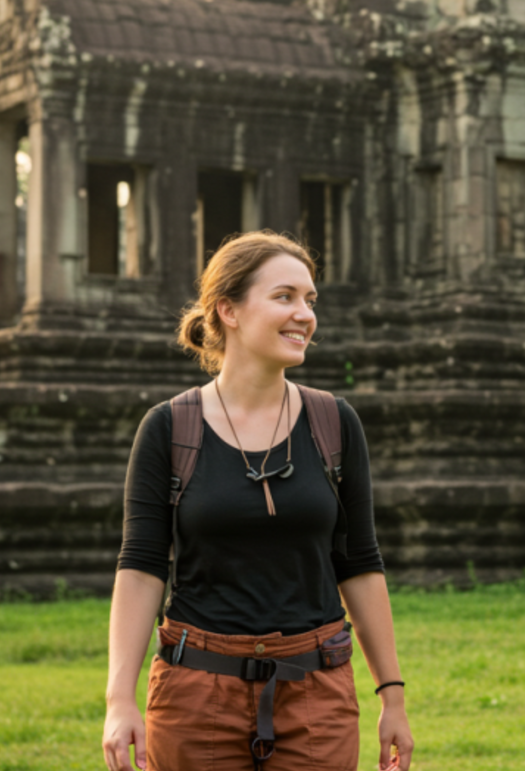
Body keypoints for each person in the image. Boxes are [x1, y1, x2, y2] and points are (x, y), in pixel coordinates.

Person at [102, 232, 414, 771]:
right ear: (229, 310)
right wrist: (118, 700)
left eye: (310, 300)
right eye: (285, 297)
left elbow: (360, 562)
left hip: (316, 691)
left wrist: (393, 696)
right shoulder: (169, 427)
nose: (304, 315)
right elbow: (142, 566)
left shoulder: (334, 423)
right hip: (196, 691)